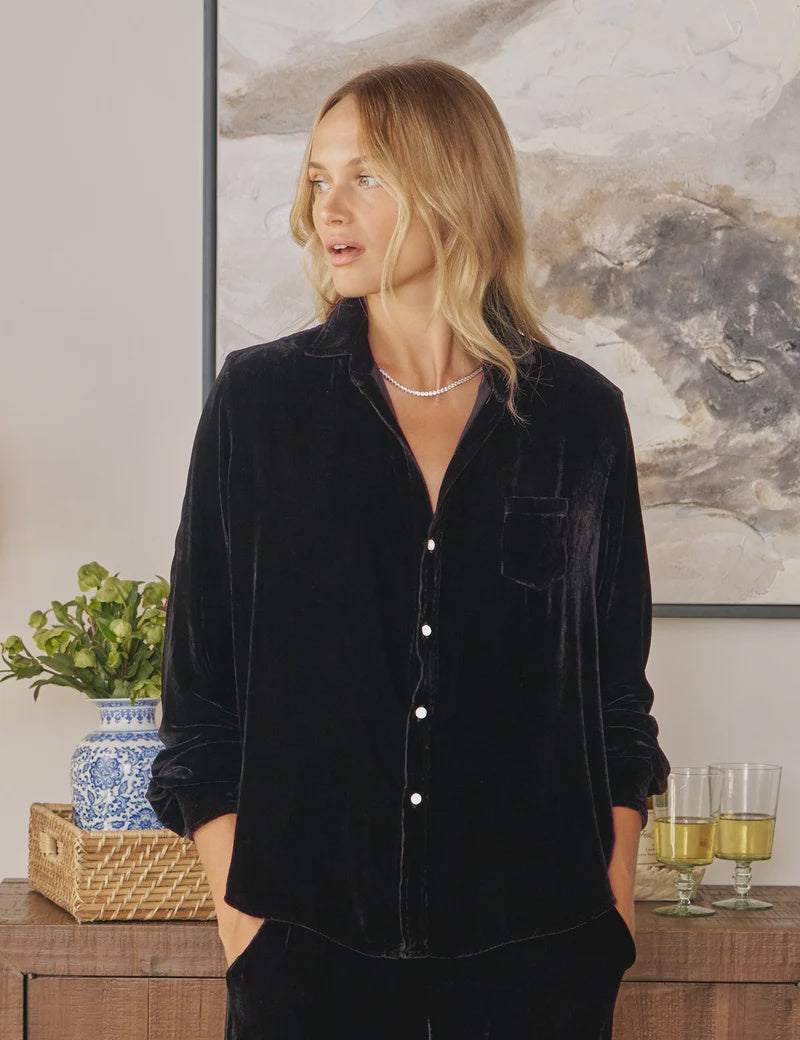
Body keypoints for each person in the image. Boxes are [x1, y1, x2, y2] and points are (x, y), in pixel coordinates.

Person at [146, 57, 670, 1039]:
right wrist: (242, 919)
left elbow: (613, 702)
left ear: (453, 189)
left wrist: (611, 907)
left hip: (540, 955)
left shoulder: (578, 418)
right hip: (305, 953)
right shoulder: (260, 405)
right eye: (317, 177)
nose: (327, 208)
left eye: (366, 177)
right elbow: (202, 696)